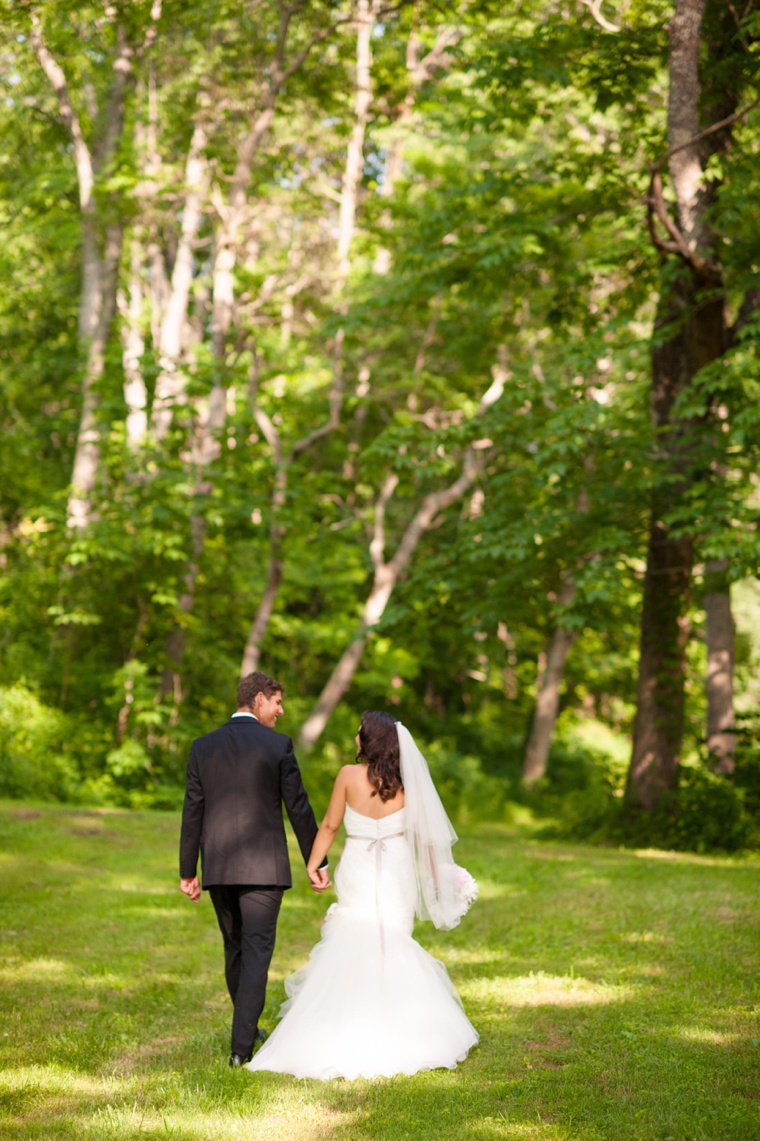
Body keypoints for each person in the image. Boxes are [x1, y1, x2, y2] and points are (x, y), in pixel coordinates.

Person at [247, 710, 478, 1080]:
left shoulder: (347, 776)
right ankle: (397, 1025)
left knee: (356, 933)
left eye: (359, 733)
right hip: (396, 867)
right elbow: (421, 837)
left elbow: (330, 824)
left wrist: (314, 862)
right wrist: (440, 877)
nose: (355, 738)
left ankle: (345, 1020)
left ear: (369, 740)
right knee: (392, 937)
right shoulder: (407, 783)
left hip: (358, 865)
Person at [179, 671, 329, 1068]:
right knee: (257, 953)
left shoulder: (203, 746)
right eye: (277, 702)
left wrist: (187, 869)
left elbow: (193, 809)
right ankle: (241, 1049)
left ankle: (245, 1030)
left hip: (219, 868)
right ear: (258, 699)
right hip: (264, 868)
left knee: (237, 949)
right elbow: (299, 808)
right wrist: (318, 860)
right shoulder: (277, 746)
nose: (280, 711)